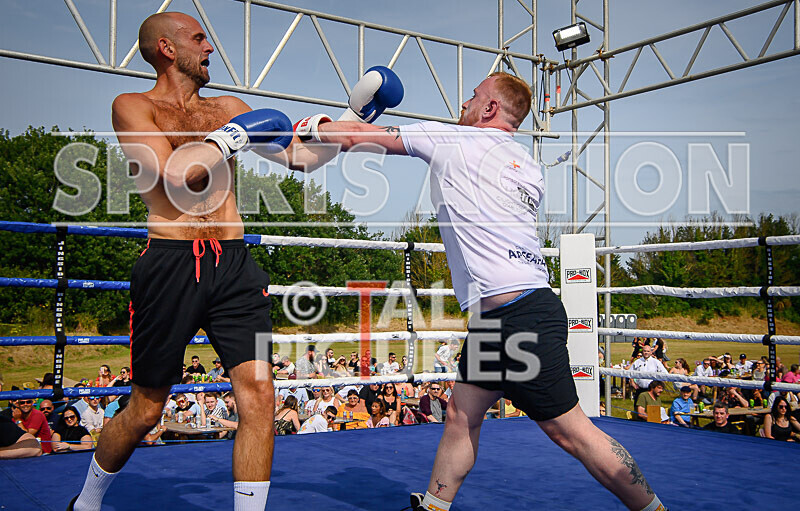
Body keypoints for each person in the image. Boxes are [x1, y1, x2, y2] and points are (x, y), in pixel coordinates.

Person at [67, 11, 400, 511]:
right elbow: (175, 178)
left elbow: (299, 158)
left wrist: (351, 121)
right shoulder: (132, 107)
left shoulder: (227, 107)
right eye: (199, 39)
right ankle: (87, 502)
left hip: (235, 264)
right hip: (171, 264)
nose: (210, 49)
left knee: (260, 394)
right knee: (146, 408)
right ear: (166, 48)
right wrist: (230, 138)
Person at [306, 72, 666, 511]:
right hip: (501, 317)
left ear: (490, 108)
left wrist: (312, 126)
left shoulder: (455, 140)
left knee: (572, 432)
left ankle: (654, 509)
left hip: (519, 314)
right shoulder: (527, 167)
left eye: (473, 96)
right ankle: (435, 507)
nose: (464, 102)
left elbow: (358, 137)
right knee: (460, 415)